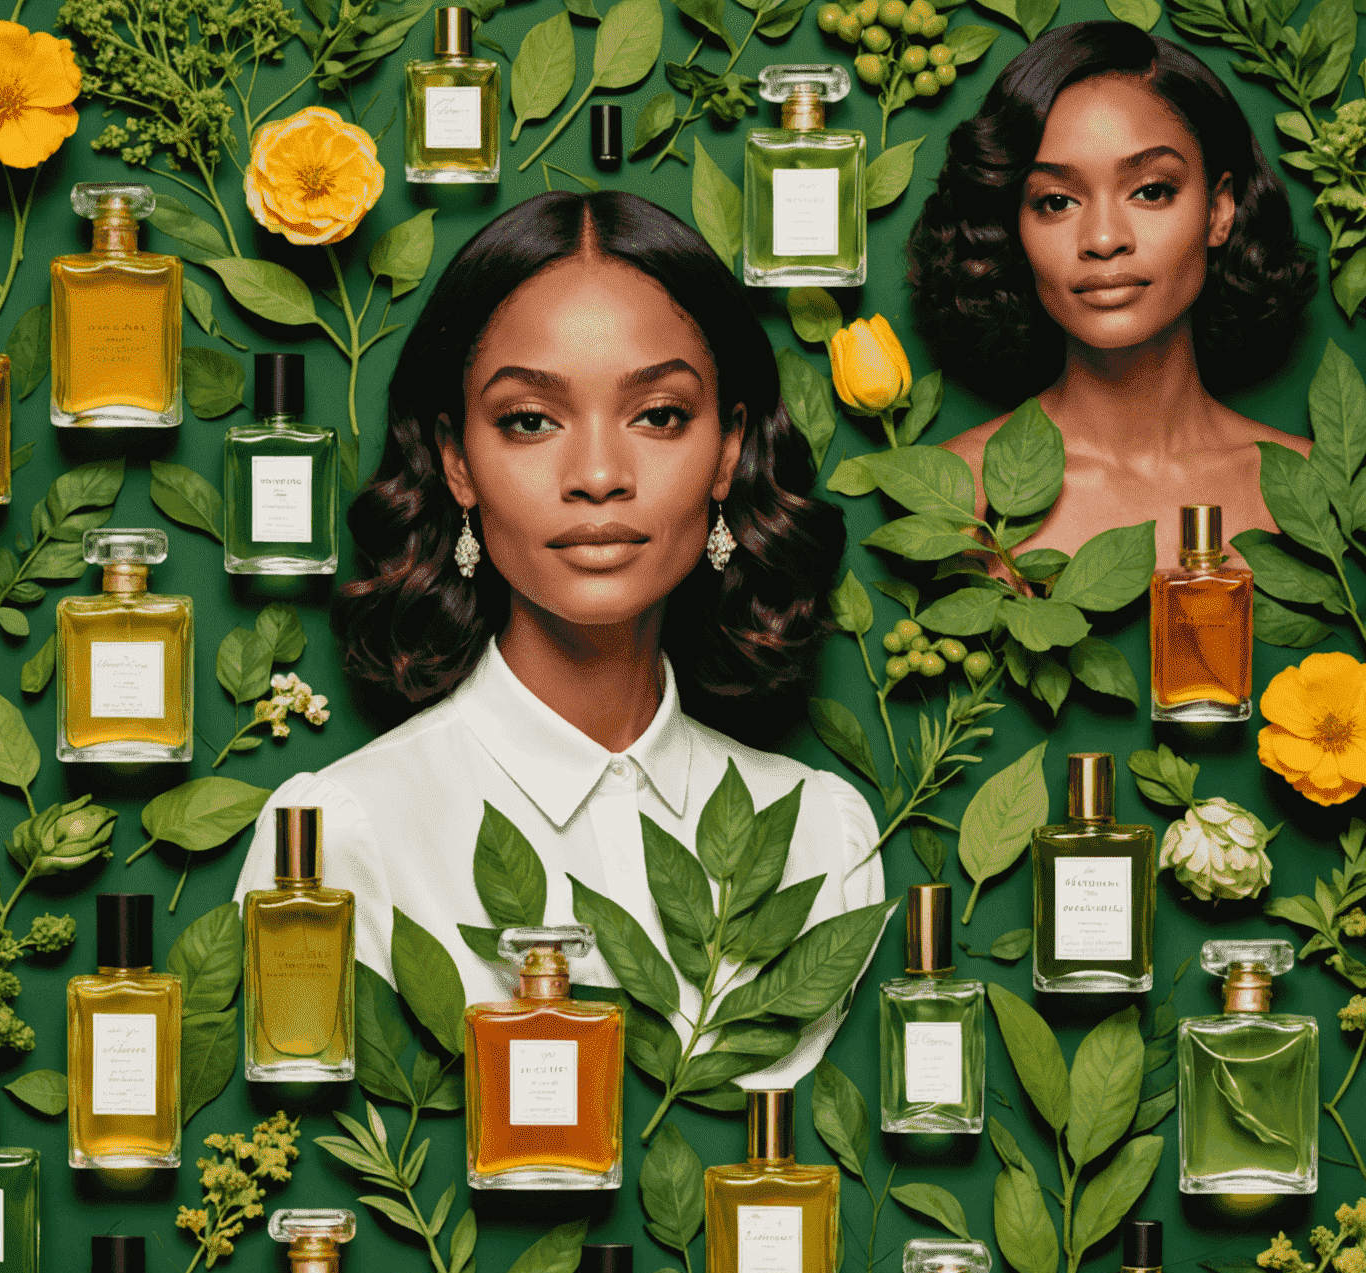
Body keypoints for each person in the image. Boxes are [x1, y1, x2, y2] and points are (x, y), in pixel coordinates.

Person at [232, 190, 884, 1088]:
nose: (599, 477)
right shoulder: (341, 842)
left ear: (729, 450)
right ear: (457, 459)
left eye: (658, 415)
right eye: (530, 420)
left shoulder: (825, 837)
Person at [907, 21, 1317, 567]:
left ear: (1219, 211)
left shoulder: (1323, 495)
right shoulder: (956, 500)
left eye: (1151, 191)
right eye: (1056, 201)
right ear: (1015, 228)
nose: (1103, 240)